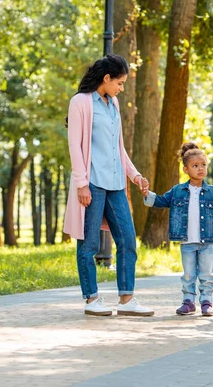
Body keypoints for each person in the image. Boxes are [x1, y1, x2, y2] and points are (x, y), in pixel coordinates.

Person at [63, 54, 154, 317]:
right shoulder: (80, 102)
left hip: (115, 184)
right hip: (92, 182)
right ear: (106, 78)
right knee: (89, 243)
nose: (121, 89)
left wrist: (135, 175)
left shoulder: (112, 103)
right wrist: (81, 184)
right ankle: (91, 298)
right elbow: (75, 145)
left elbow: (118, 148)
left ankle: (127, 300)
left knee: (127, 239)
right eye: (120, 83)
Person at [143, 143, 213, 316]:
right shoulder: (178, 191)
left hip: (208, 241)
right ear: (186, 170)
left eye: (203, 165)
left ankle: (207, 302)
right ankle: (188, 301)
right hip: (187, 241)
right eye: (195, 166)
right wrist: (147, 194)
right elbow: (162, 201)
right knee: (188, 274)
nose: (200, 169)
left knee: (207, 274)